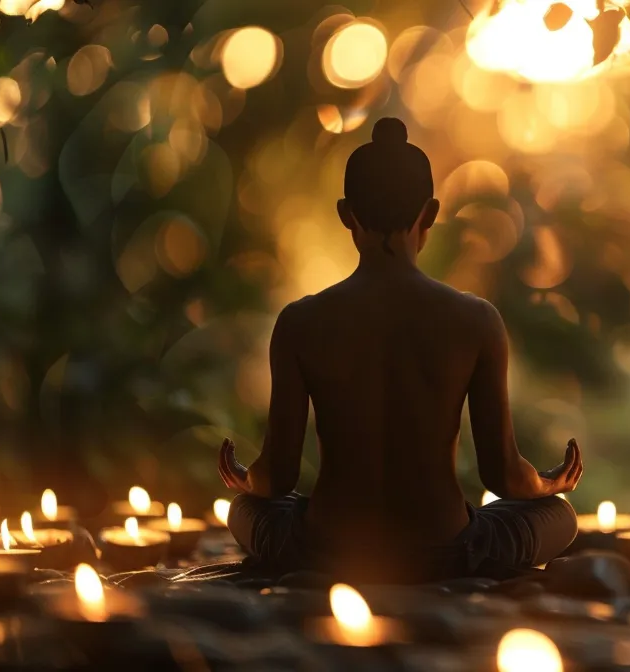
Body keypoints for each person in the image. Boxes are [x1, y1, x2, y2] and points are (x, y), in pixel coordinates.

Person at [215, 118, 582, 584]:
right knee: (561, 517)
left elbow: (278, 478)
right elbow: (503, 475)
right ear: (429, 213)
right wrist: (548, 485)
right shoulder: (476, 320)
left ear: (346, 213)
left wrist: (248, 481)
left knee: (243, 510)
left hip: (327, 548)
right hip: (448, 551)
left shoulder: (301, 321)